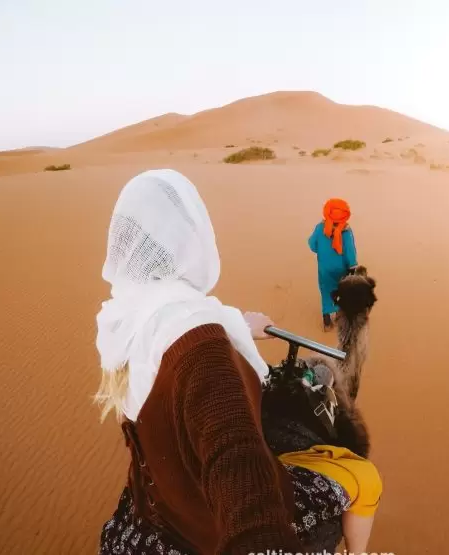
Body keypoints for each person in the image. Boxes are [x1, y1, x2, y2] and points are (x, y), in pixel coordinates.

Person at [94, 170, 381, 555]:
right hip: (207, 525)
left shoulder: (128, 321)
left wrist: (237, 330)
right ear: (190, 240)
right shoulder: (203, 342)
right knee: (364, 476)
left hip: (159, 507)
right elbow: (239, 468)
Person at [308, 198, 358, 331]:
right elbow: (350, 252)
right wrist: (352, 267)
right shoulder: (346, 231)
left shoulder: (320, 228)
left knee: (325, 291)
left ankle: (326, 322)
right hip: (341, 269)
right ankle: (338, 315)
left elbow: (312, 245)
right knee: (339, 291)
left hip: (324, 269)